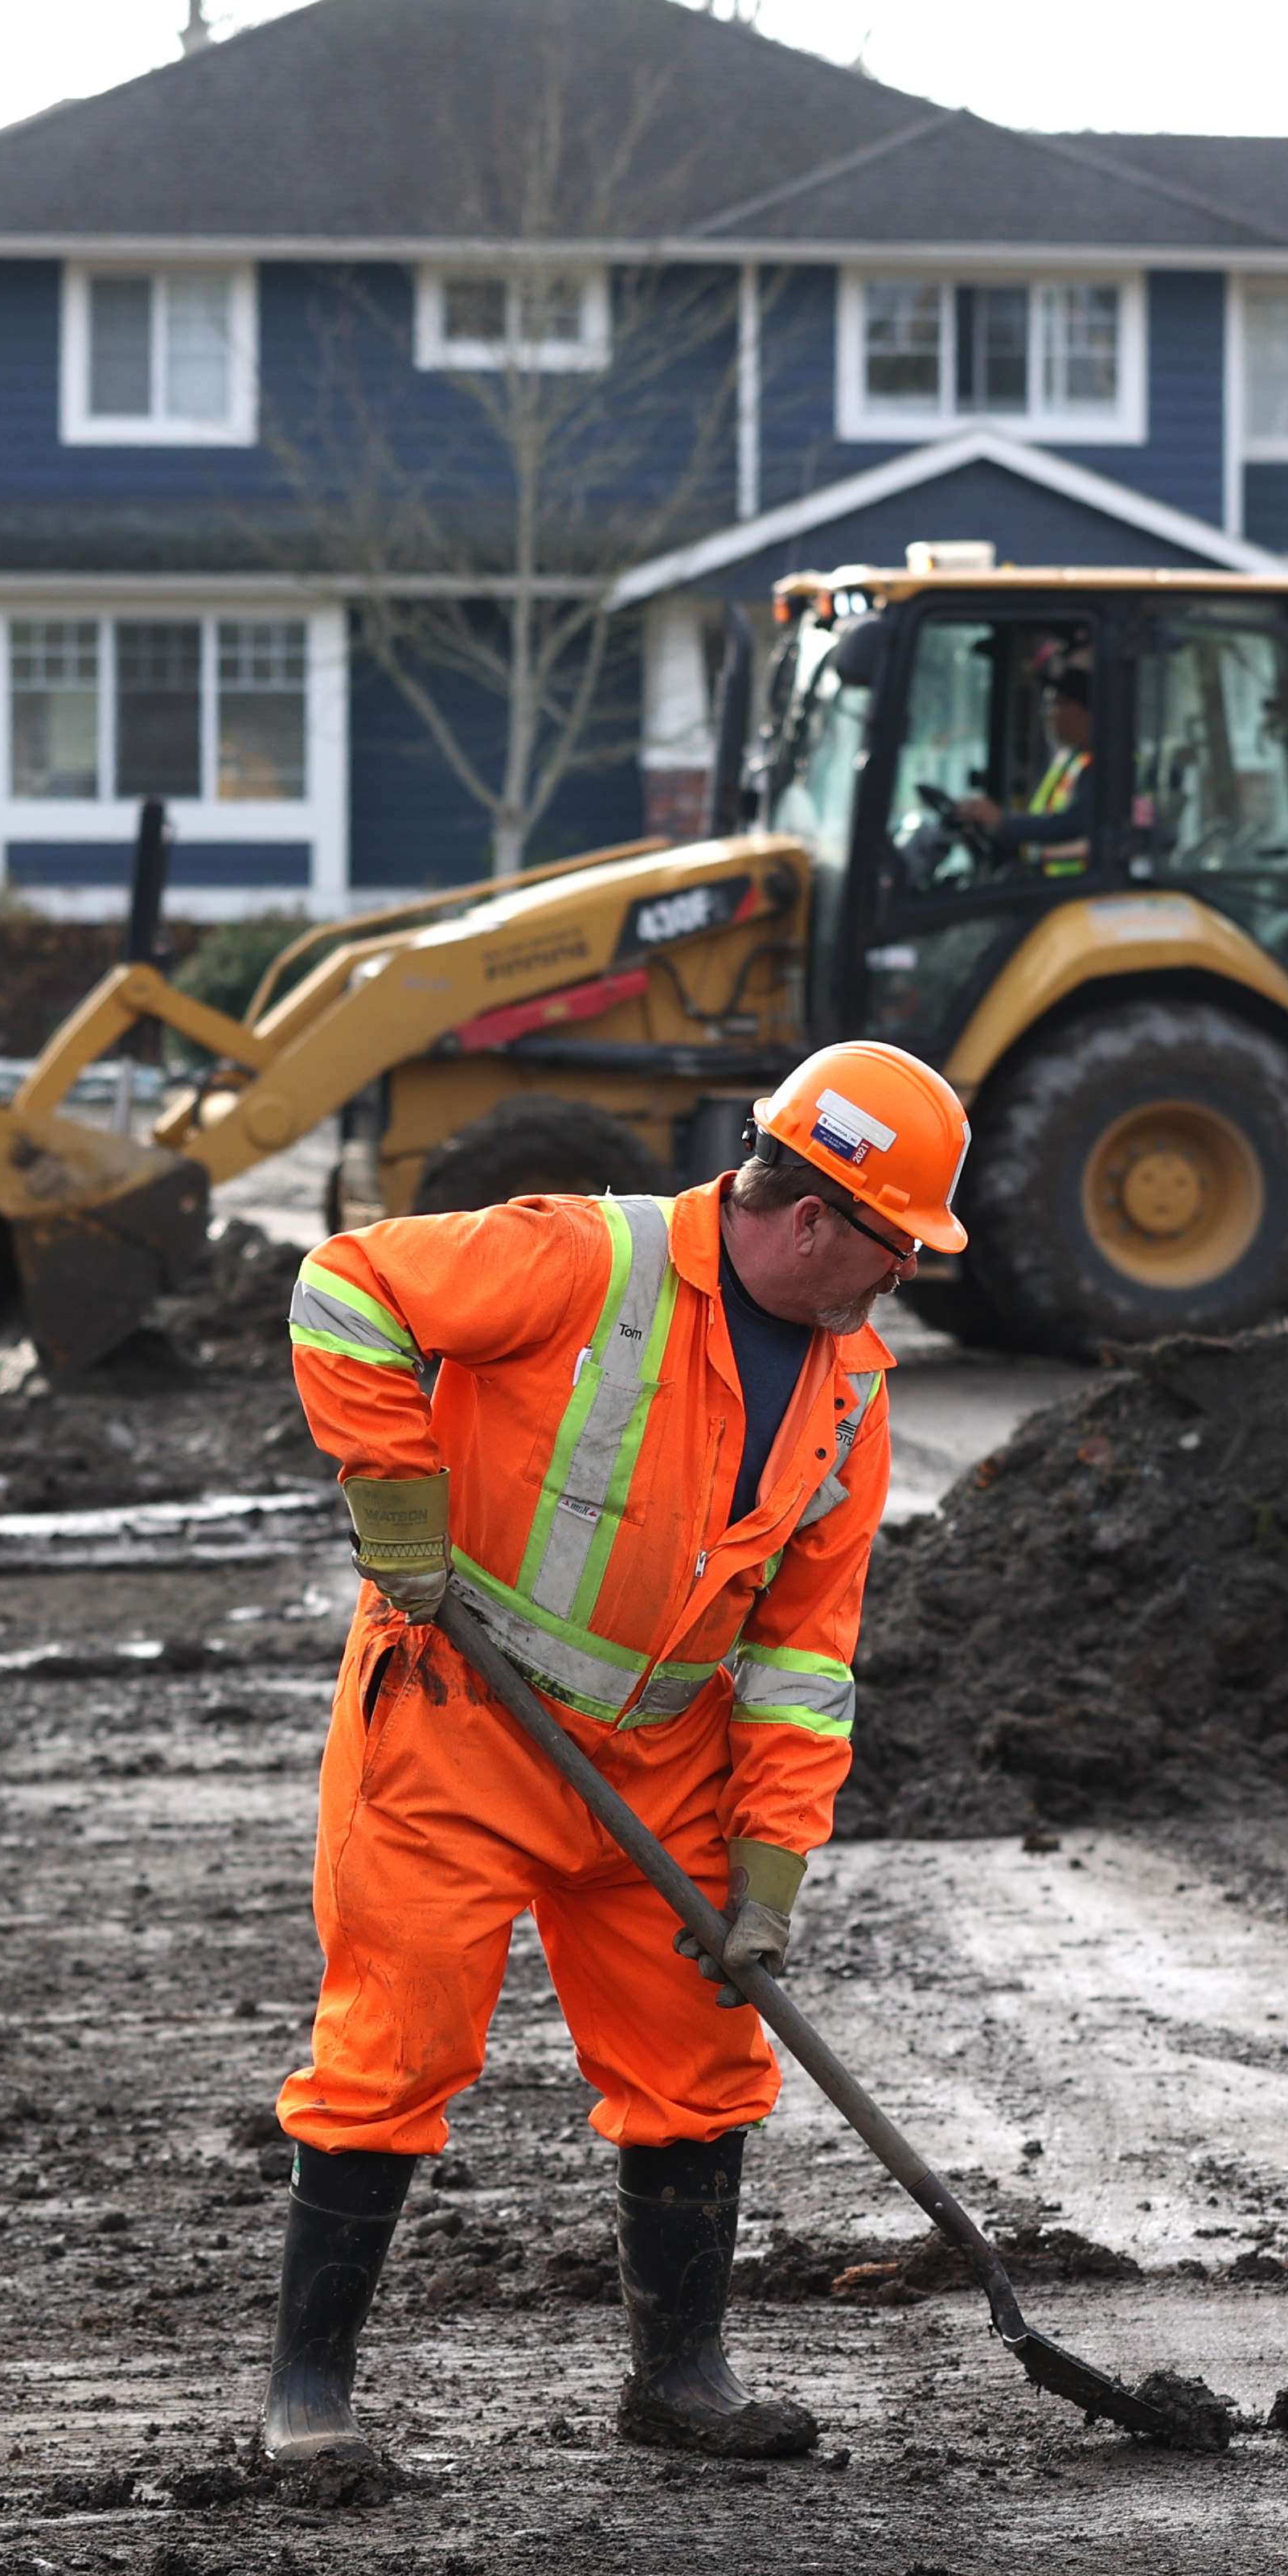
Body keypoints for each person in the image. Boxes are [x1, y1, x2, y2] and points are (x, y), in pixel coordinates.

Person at [259, 1039, 970, 2466]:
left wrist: (769, 1869)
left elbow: (802, 1653)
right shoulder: (585, 1259)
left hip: (663, 1764)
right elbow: (344, 1284)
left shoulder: (853, 1394)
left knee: (701, 2062)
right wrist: (396, 1499)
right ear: (817, 1215)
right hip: (463, 1720)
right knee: (393, 2050)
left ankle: (680, 2379)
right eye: (895, 1247)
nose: (900, 1279)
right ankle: (308, 2399)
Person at [955, 656, 1095, 873]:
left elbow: (1071, 825)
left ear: (1078, 709)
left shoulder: (1100, 768)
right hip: (1047, 877)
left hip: (1070, 887)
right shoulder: (1070, 760)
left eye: (1054, 704)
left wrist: (1003, 821)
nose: (1047, 714)